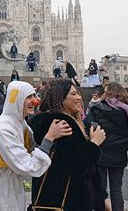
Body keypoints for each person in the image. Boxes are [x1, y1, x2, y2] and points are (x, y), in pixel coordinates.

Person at [0, 81, 73, 210]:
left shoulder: (20, 123)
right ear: (16, 99)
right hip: (3, 188)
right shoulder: (3, 130)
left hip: (13, 185)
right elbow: (29, 166)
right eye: (28, 97)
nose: (35, 101)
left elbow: (33, 147)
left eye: (34, 96)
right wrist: (50, 137)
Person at [28, 79, 107, 210]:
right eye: (73, 94)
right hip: (69, 202)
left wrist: (101, 197)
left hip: (53, 200)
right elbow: (78, 167)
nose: (79, 98)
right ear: (60, 98)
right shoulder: (64, 124)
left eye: (78, 93)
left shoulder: (46, 121)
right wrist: (94, 143)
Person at [85, 82, 128, 211]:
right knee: (117, 190)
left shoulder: (98, 108)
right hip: (119, 155)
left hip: (100, 153)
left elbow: (86, 125)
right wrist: (125, 145)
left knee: (100, 188)